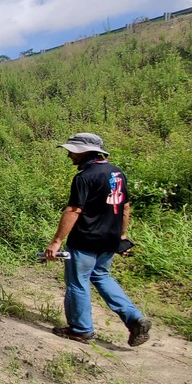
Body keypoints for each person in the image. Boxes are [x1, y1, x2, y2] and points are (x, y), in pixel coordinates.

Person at [45, 132, 151, 347]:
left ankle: (81, 329)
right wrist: (121, 235)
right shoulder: (117, 173)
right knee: (102, 276)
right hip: (109, 240)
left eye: (72, 152)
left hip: (85, 239)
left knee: (77, 282)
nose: (69, 156)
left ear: (85, 151)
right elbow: (125, 206)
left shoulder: (84, 177)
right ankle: (134, 318)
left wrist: (56, 241)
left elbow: (74, 210)